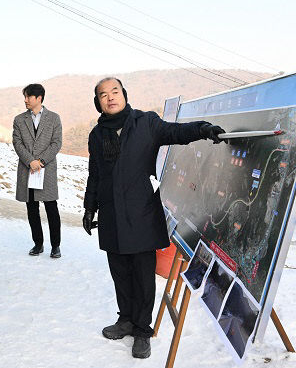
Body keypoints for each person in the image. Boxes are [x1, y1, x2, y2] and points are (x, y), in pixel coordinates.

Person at [82, 77, 226, 360]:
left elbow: (177, 132)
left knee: (143, 276)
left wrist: (204, 129)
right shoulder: (97, 135)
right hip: (111, 213)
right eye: (103, 95)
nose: (110, 97)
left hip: (141, 213)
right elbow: (95, 174)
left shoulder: (145, 123)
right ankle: (125, 319)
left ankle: (142, 330)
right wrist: (90, 208)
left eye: (115, 92)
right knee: (120, 272)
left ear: (124, 94)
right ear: (98, 102)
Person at [12, 84, 63, 258]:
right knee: (31, 209)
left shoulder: (54, 118)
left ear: (39, 98)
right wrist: (30, 161)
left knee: (51, 208)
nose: (25, 100)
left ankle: (55, 245)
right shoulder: (19, 120)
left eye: (28, 97)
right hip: (28, 170)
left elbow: (56, 143)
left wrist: (40, 161)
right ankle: (38, 243)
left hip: (45, 170)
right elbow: (17, 143)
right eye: (25, 97)